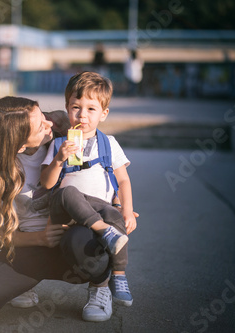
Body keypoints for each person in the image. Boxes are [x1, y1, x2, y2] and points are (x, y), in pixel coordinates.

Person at [0, 96, 137, 325]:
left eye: (44, 117)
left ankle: (100, 285)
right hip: (34, 248)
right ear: (19, 145)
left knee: (81, 242)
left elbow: (105, 171)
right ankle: (22, 285)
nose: (49, 124)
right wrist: (40, 238)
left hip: (77, 242)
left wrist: (118, 206)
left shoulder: (63, 135)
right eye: (40, 126)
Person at [40, 72, 137, 316]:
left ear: (103, 113)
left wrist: (126, 211)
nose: (82, 115)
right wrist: (60, 159)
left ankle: (114, 278)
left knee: (113, 218)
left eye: (91, 109)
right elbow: (48, 183)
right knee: (68, 191)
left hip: (100, 209)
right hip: (68, 210)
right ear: (67, 108)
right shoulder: (58, 144)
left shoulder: (109, 143)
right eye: (76, 107)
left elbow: (123, 181)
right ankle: (104, 233)